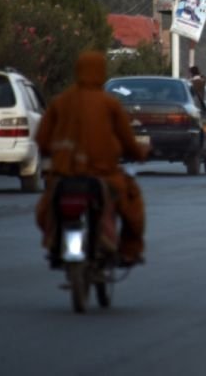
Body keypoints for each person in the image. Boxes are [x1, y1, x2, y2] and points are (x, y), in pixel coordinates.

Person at [35, 50, 150, 267]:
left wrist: (58, 154)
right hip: (103, 176)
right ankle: (129, 251)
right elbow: (127, 140)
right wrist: (139, 153)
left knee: (46, 206)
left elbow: (41, 140)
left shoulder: (60, 102)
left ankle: (54, 244)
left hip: (63, 176)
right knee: (132, 204)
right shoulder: (109, 104)